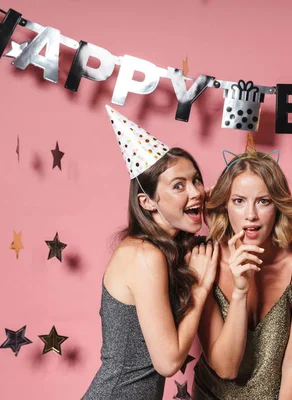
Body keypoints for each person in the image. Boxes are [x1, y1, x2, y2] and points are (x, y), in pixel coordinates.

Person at [83, 106, 218, 399]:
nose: (196, 192)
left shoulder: (164, 250)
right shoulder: (144, 255)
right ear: (147, 202)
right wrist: (201, 288)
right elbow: (168, 362)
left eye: (196, 180)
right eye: (178, 185)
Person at [193, 141, 292, 400]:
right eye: (239, 201)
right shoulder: (205, 262)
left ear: (278, 206)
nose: (251, 215)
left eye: (263, 201)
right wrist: (241, 291)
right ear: (225, 206)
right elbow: (225, 368)